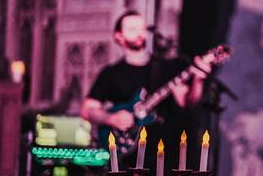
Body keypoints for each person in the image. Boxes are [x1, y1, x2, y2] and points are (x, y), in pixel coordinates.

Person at [80, 10, 210, 170]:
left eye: (142, 28)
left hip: (164, 155)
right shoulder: (111, 74)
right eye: (132, 29)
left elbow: (187, 102)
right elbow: (87, 110)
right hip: (127, 159)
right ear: (118, 36)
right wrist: (111, 119)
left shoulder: (166, 68)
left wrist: (198, 79)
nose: (139, 33)